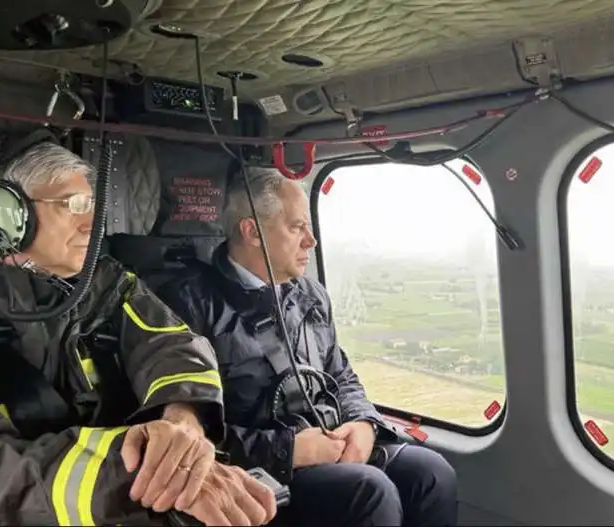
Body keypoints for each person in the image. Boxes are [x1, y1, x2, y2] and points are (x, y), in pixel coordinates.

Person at [0, 134, 276, 526]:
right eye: (74, 205)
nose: (91, 224)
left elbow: (174, 344)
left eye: (93, 205)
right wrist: (141, 471)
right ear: (4, 216)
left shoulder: (106, 281)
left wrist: (183, 421)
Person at [158, 167, 458, 527]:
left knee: (431, 473)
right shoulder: (188, 305)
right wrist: (290, 450)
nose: (311, 242)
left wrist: (364, 424)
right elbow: (189, 429)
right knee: (369, 491)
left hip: (326, 438)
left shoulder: (311, 295)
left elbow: (341, 374)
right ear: (252, 231)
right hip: (259, 464)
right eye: (297, 227)